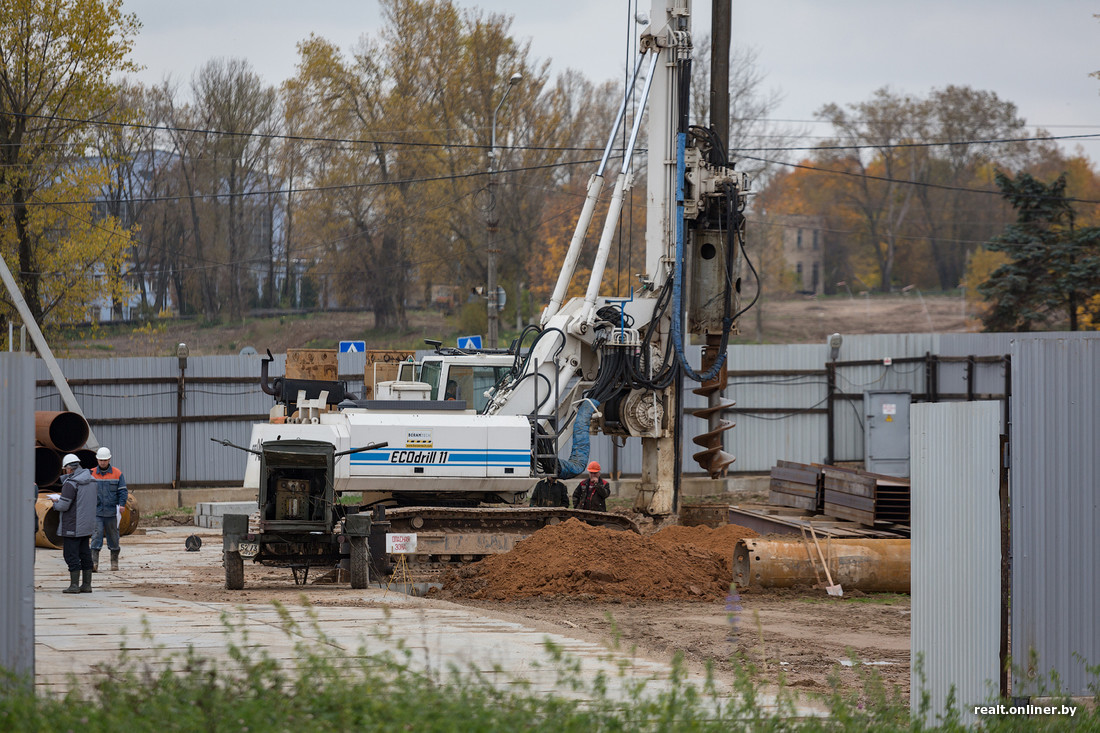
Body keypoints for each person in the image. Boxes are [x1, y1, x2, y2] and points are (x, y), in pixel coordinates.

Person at [52, 454, 97, 593]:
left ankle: (74, 586)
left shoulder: (71, 484)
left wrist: (55, 503)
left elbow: (63, 506)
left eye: (65, 469)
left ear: (69, 469)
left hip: (72, 525)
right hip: (86, 526)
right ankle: (87, 585)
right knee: (85, 554)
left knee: (71, 555)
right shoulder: (92, 480)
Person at [90, 446, 127, 572]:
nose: (103, 462)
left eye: (105, 460)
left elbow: (122, 491)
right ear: (97, 460)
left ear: (109, 459)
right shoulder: (91, 473)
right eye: (101, 460)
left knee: (114, 537)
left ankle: (114, 563)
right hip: (97, 512)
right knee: (96, 536)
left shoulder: (117, 474)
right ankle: (94, 563)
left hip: (112, 512)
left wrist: (122, 504)